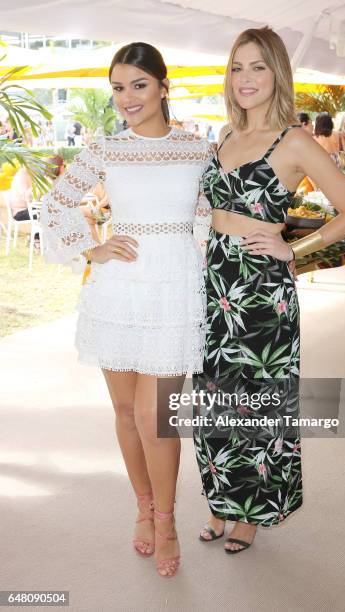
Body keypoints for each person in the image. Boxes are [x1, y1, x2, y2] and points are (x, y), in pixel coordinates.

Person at [193, 26, 345, 554]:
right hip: (216, 281)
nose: (245, 79)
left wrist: (296, 248)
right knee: (216, 400)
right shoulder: (223, 134)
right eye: (237, 67)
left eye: (258, 67)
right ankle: (223, 498)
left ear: (277, 74)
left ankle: (251, 514)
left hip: (260, 292)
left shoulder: (292, 141)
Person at [41, 42, 213, 578]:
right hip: (118, 290)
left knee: (154, 417)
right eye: (118, 88)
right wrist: (92, 247)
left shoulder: (198, 150)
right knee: (124, 413)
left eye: (139, 85)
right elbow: (55, 202)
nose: (127, 98)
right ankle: (142, 506)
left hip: (176, 290)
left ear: (163, 86)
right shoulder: (105, 148)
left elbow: (212, 217)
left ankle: (166, 521)